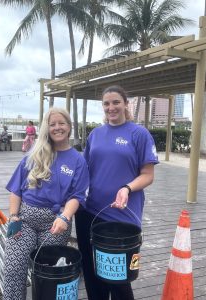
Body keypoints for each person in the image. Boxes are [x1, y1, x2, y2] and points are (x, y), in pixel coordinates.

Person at [75, 85, 159, 300]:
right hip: (88, 211)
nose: (111, 107)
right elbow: (84, 171)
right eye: (106, 103)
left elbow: (148, 175)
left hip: (121, 216)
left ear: (125, 104)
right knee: (92, 271)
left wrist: (126, 187)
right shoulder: (96, 134)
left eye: (115, 102)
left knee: (118, 277)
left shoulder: (139, 134)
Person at [3, 107, 89, 300]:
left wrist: (65, 217)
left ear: (69, 126)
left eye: (61, 123)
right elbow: (16, 189)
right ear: (46, 128)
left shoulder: (78, 160)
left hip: (55, 223)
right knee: (12, 268)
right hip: (24, 220)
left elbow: (77, 195)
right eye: (52, 124)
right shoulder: (34, 154)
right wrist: (14, 216)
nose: (57, 128)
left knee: (48, 273)